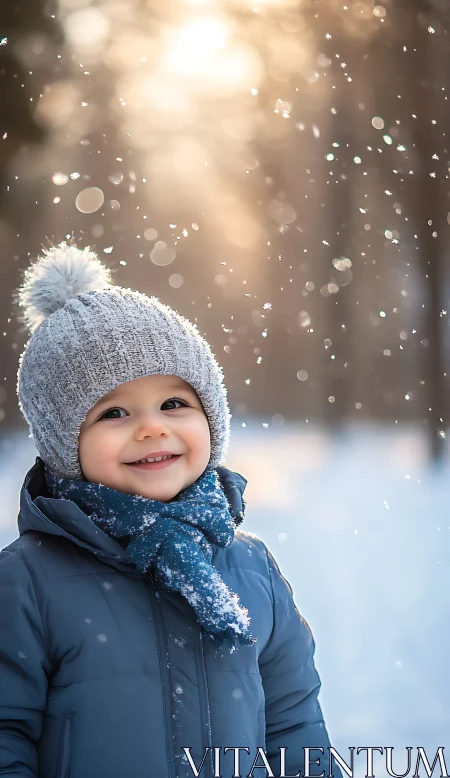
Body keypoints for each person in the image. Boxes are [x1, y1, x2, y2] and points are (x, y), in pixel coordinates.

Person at [0, 242, 343, 778]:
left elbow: (293, 722)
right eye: (113, 411)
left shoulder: (251, 570)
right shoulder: (28, 581)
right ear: (65, 444)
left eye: (174, 403)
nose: (152, 427)